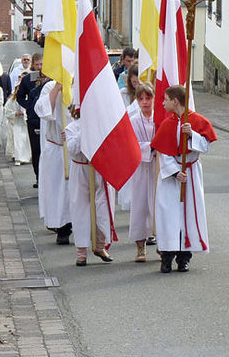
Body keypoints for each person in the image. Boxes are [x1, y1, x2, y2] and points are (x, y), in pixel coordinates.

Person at [150, 84, 217, 273]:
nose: (162, 103)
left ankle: (184, 258)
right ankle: (167, 257)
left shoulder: (196, 121)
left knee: (187, 215)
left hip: (191, 173)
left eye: (165, 99)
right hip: (171, 176)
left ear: (175, 101)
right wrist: (173, 171)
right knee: (168, 215)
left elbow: (205, 146)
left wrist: (192, 135)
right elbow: (163, 152)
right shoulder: (167, 124)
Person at [64, 109, 116, 266]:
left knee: (103, 206)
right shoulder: (72, 128)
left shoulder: (102, 125)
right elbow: (73, 148)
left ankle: (99, 245)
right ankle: (81, 251)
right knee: (80, 208)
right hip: (81, 169)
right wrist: (85, 130)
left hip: (100, 168)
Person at [35, 79, 72, 244]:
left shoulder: (83, 83)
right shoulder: (49, 87)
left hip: (77, 147)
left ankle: (77, 225)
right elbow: (42, 111)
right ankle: (61, 226)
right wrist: (57, 88)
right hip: (56, 146)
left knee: (76, 190)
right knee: (58, 191)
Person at [127, 82, 157, 262]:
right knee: (139, 206)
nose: (145, 102)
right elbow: (131, 146)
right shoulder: (133, 120)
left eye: (148, 98)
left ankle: (163, 243)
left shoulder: (160, 119)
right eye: (141, 99)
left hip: (158, 167)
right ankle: (140, 246)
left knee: (159, 204)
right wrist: (152, 147)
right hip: (140, 167)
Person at [15, 53, 45, 183]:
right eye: (37, 64)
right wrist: (29, 106)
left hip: (48, 119)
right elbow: (20, 96)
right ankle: (39, 178)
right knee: (36, 149)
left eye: (41, 64)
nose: (39, 67)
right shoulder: (28, 79)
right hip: (34, 119)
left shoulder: (51, 77)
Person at [4, 73, 32, 166]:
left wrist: (23, 113)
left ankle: (25, 156)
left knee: (24, 140)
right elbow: (7, 111)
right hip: (15, 123)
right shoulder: (11, 101)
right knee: (17, 141)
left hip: (23, 123)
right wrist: (15, 113)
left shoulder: (27, 99)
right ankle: (18, 157)